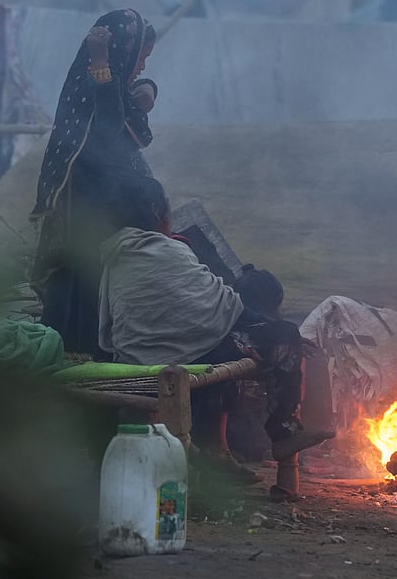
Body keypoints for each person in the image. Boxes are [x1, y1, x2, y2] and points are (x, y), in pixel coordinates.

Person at [97, 177, 333, 466]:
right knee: (284, 334)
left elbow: (197, 311)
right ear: (158, 211)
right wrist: (277, 333)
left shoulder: (116, 254)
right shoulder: (171, 250)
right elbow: (224, 306)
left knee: (222, 346)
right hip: (185, 357)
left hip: (137, 357)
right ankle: (283, 433)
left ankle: (215, 454)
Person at [30, 9, 157, 356]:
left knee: (93, 279)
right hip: (83, 195)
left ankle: (84, 351)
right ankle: (70, 354)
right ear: (123, 52)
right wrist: (101, 62)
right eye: (141, 57)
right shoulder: (95, 78)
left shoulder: (115, 82)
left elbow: (130, 101)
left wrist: (148, 86)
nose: (142, 66)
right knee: (76, 277)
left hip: (101, 196)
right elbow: (110, 122)